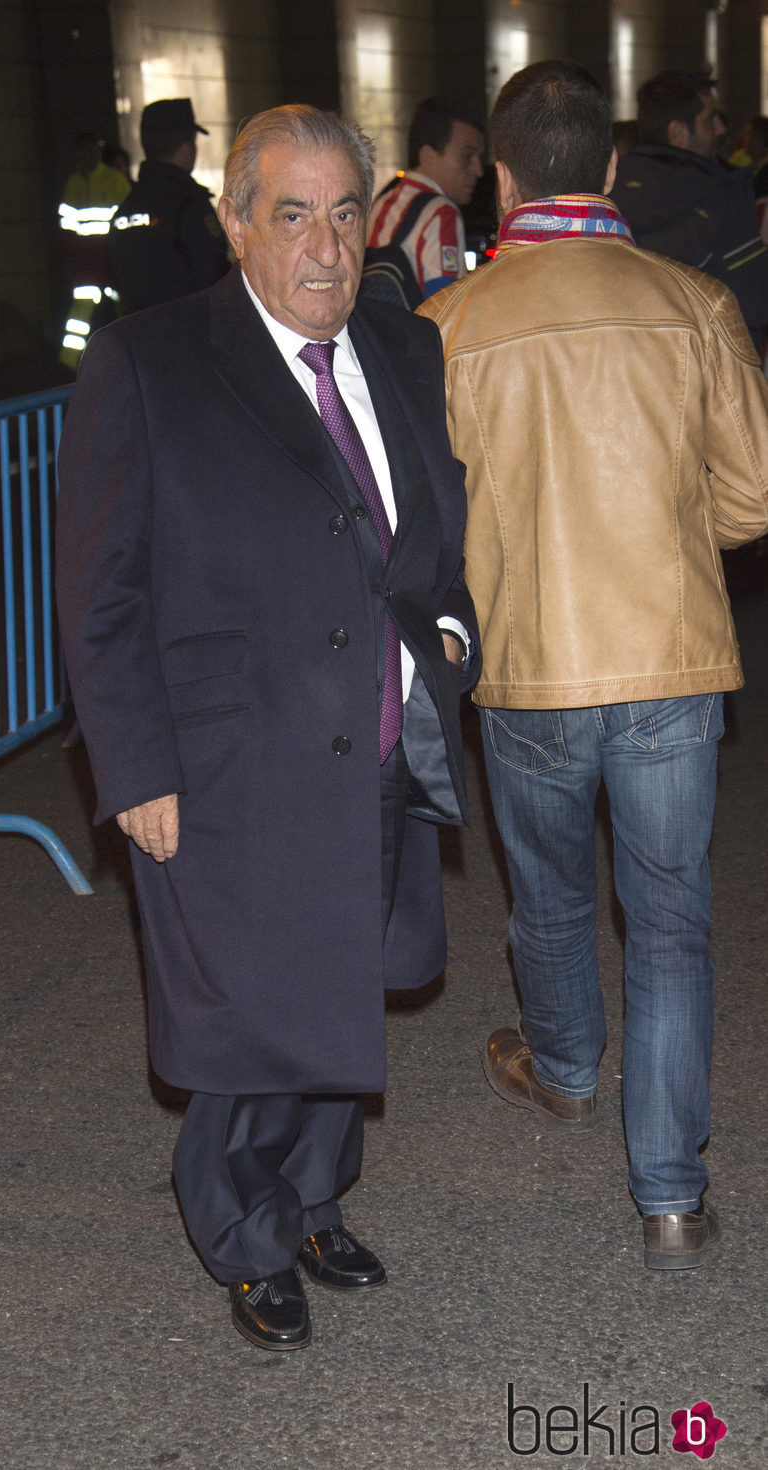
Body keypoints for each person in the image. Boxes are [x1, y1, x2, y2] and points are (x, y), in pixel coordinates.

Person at [57, 104, 478, 1349]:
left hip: (377, 739)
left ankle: (306, 1200)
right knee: (246, 1013)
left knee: (340, 986)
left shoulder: (405, 353)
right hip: (225, 755)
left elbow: (432, 535)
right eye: (291, 214)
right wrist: (131, 764)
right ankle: (241, 1233)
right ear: (237, 223)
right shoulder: (151, 362)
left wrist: (447, 639)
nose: (325, 246)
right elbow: (100, 589)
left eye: (345, 213)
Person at [419, 61, 768, 1271]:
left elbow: (421, 521)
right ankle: (669, 1198)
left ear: (500, 178)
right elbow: (752, 495)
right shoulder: (690, 306)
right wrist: (669, 532)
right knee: (670, 926)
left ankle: (563, 1067)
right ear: (611, 169)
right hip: (669, 656)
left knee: (553, 894)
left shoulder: (449, 324)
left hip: (526, 666)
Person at [611, 71, 768, 342]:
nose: (720, 128)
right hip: (704, 370)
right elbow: (756, 306)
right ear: (678, 132)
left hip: (625, 369)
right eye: (710, 119)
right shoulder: (722, 196)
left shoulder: (607, 188)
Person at [106, 97, 229, 316]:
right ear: (185, 149)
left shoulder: (126, 207)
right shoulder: (190, 205)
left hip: (137, 336)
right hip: (189, 335)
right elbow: (214, 278)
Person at [366, 97, 485, 302]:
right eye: (467, 156)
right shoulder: (441, 213)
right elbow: (447, 306)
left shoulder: (381, 203)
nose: (478, 170)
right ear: (428, 156)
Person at [58, 131, 130, 369]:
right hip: (87, 262)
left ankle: (125, 359)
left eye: (93, 150)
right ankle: (69, 364)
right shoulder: (74, 183)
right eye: (85, 150)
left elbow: (127, 222)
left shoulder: (114, 181)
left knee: (121, 310)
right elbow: (67, 228)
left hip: (111, 259)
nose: (89, 155)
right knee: (81, 314)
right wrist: (70, 260)